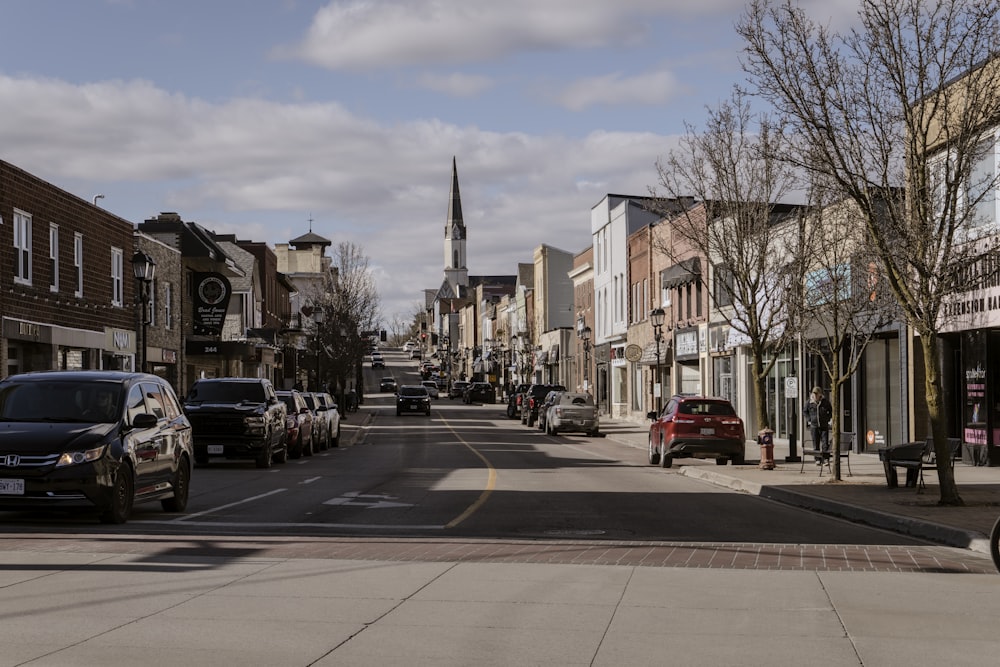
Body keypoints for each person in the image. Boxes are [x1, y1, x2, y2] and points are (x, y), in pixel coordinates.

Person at [803, 386, 833, 465]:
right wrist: (809, 419)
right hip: (814, 426)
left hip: (824, 425)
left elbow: (830, 410)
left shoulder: (825, 402)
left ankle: (826, 459)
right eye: (814, 393)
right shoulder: (809, 402)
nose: (815, 395)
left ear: (820, 394)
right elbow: (805, 412)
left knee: (825, 443)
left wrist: (828, 418)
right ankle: (817, 459)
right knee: (815, 443)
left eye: (817, 394)